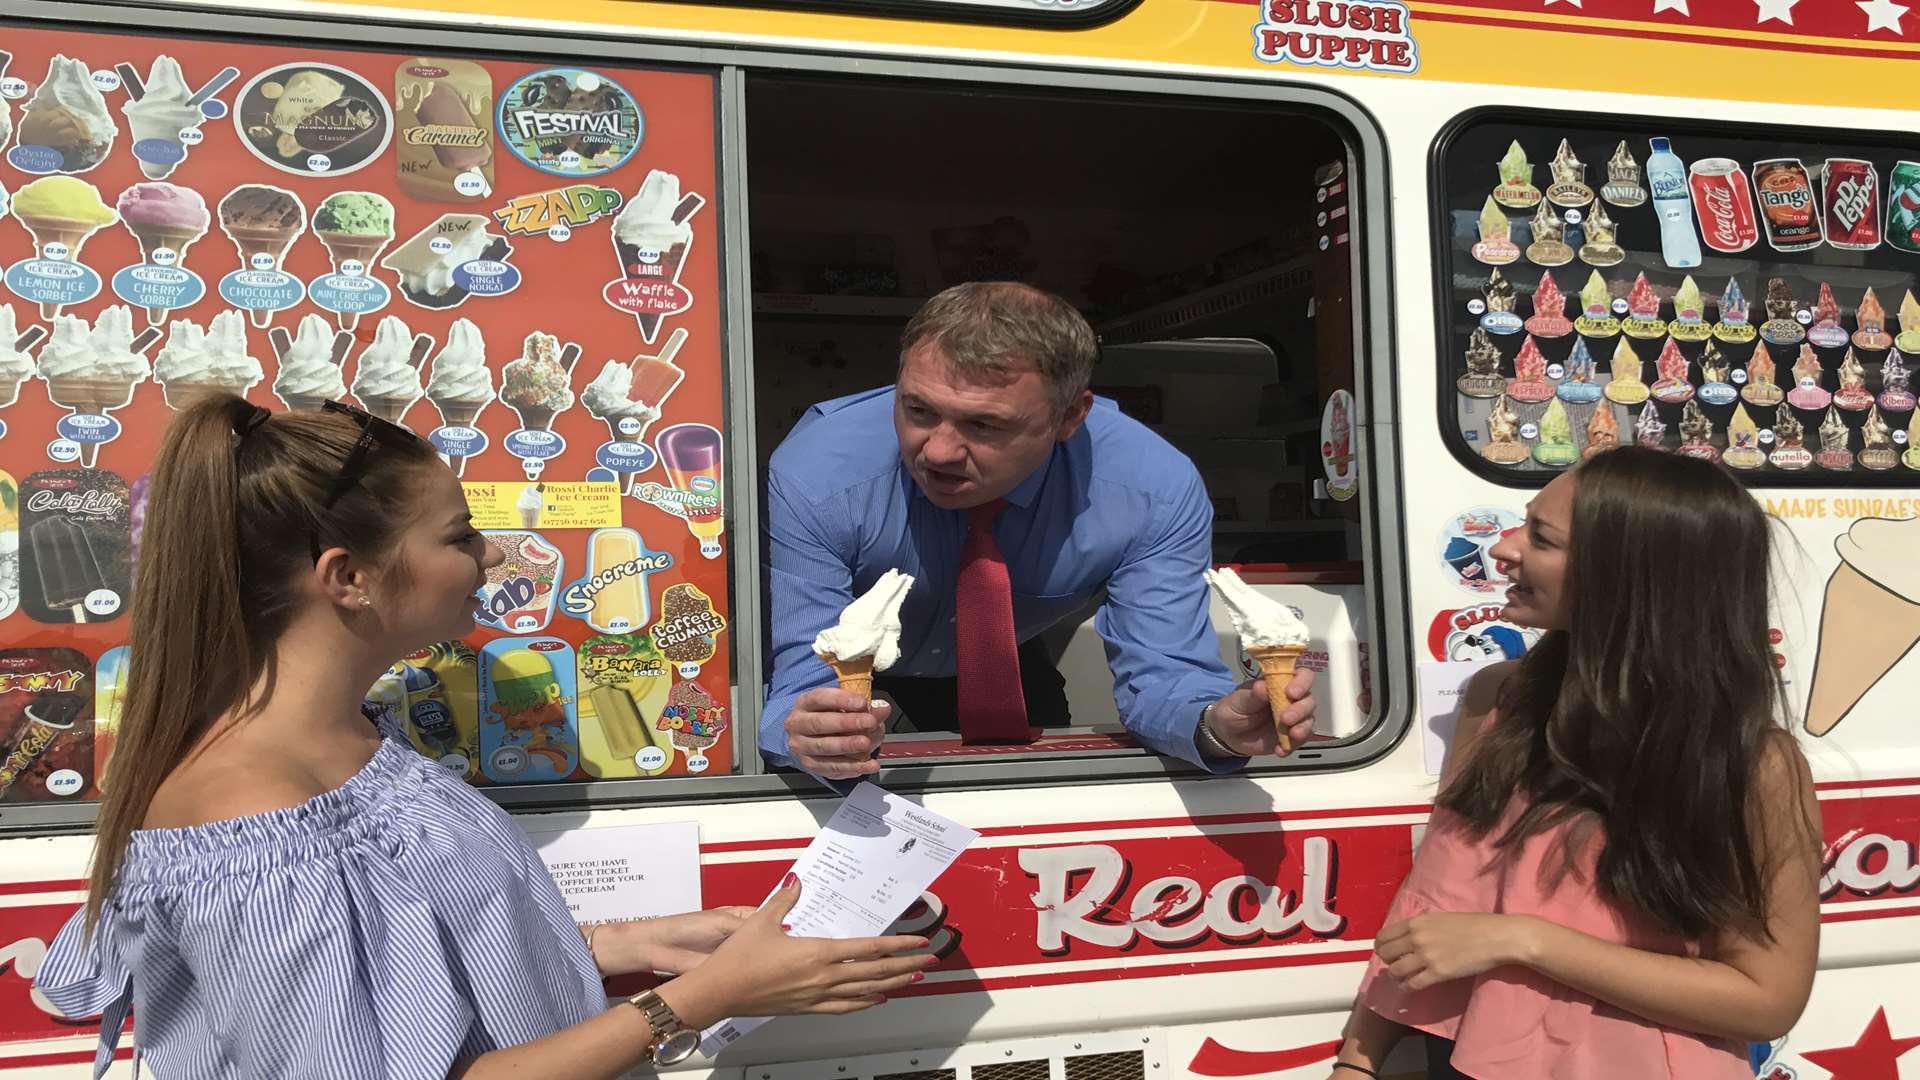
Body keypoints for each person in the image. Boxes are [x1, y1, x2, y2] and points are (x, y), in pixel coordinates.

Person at [36, 398, 931, 1080]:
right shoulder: (246, 813)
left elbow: (400, 981)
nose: (493, 556)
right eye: (461, 535)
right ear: (347, 578)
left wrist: (627, 941)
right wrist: (702, 1001)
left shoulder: (345, 739)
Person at [1326, 447, 1822, 1080]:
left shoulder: (1754, 766)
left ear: (1629, 577)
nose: (1503, 548)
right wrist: (1359, 1060)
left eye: (1541, 537)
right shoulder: (1498, 701)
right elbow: (1433, 906)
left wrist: (1526, 941)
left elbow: (1767, 1000)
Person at [761, 281, 1316, 782]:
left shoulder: (1153, 490)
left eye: (984, 424)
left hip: (1011, 669)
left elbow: (1169, 673)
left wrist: (1216, 726)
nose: (938, 451)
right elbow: (801, 676)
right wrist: (805, 733)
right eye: (918, 410)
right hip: (849, 692)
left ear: (1069, 417)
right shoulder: (820, 471)